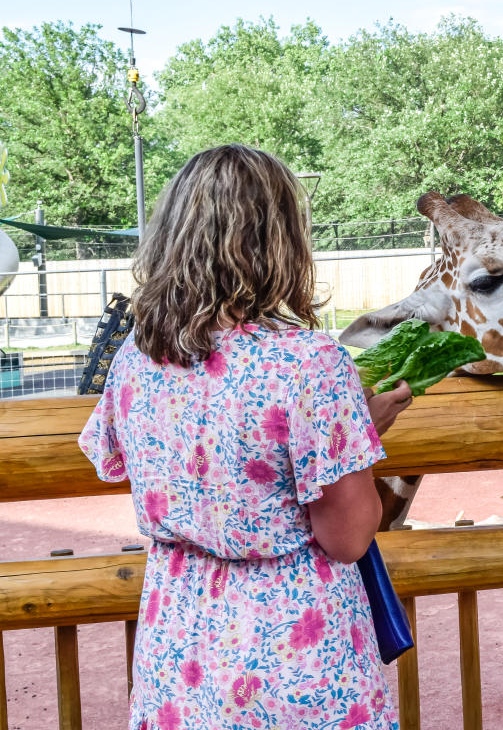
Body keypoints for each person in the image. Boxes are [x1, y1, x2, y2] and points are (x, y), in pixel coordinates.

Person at [78, 144, 412, 730]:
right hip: (295, 655)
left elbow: (129, 462)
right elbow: (348, 537)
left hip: (176, 645)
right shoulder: (309, 363)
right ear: (280, 239)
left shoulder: (135, 358)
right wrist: (359, 431)